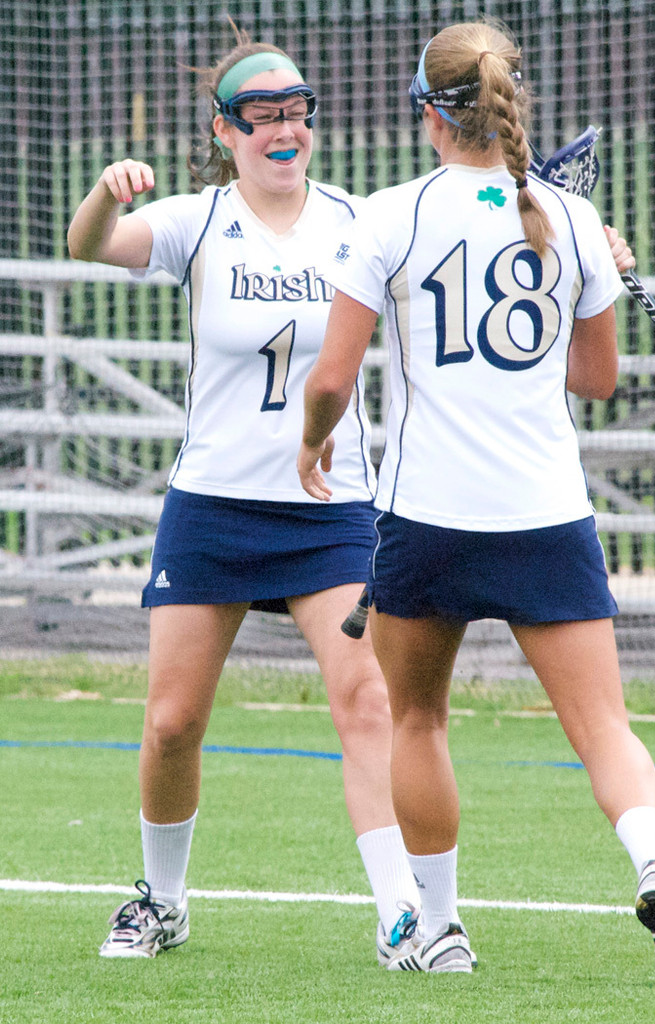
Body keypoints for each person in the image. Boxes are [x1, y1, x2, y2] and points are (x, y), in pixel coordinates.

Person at [297, 20, 655, 982]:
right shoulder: (569, 221)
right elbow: (597, 379)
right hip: (543, 514)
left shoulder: (389, 216)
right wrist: (599, 275)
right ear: (508, 104)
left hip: (427, 520)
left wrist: (315, 441)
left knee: (417, 722)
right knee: (601, 727)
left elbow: (331, 376)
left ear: (427, 114)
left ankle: (439, 932)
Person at [66, 27, 424, 964]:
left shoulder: (360, 221)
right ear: (224, 131)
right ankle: (162, 898)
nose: (281, 128)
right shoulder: (197, 220)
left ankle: (402, 916)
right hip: (215, 505)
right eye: (259, 114)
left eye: (294, 110)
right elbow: (90, 245)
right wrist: (106, 192)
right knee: (172, 721)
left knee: (365, 698)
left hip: (333, 508)